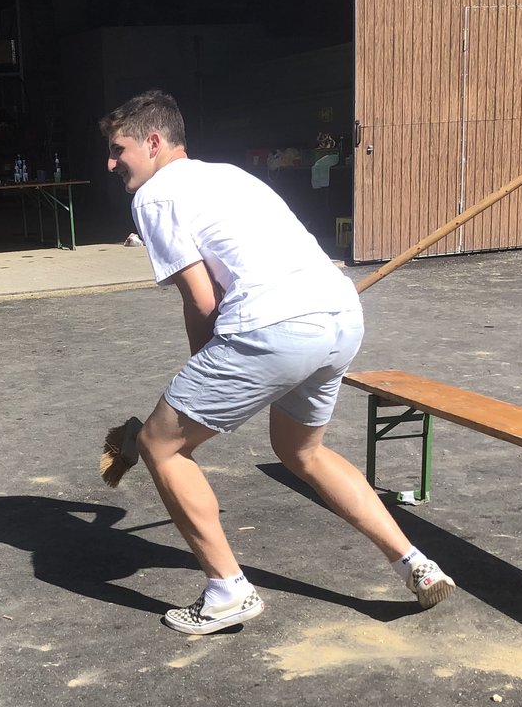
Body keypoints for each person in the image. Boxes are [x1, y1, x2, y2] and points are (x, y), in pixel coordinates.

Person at [100, 90, 456, 635]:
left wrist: (203, 374)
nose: (111, 163)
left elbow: (201, 299)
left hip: (274, 325)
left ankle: (227, 591)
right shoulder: (230, 177)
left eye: (117, 149)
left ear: (153, 142)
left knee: (160, 445)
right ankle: (415, 563)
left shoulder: (155, 195)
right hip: (339, 315)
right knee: (301, 450)